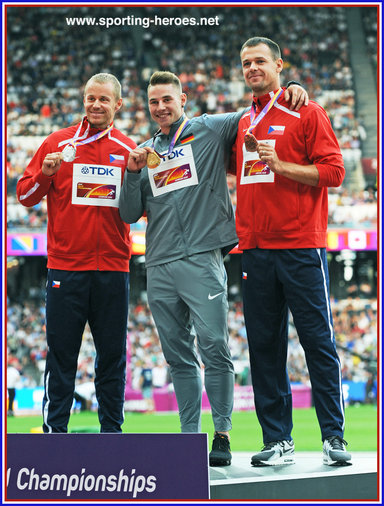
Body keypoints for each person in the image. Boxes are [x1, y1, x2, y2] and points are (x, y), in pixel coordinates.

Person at [119, 71, 307, 466]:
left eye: (167, 99)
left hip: (203, 258)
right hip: (159, 265)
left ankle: (221, 434)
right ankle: (189, 438)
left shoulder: (210, 129)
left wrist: (285, 90)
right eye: (154, 102)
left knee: (215, 348)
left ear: (183, 99)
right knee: (178, 358)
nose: (161, 108)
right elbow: (129, 213)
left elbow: (255, 111)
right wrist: (133, 173)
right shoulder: (142, 152)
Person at [232, 37, 352, 467]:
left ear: (280, 64)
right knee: (264, 347)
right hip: (255, 250)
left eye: (259, 61)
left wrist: (281, 166)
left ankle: (334, 437)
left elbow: (334, 171)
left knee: (318, 341)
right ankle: (278, 439)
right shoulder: (244, 120)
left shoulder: (308, 111)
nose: (251, 68)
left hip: (301, 246)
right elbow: (232, 165)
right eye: (246, 63)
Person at [17, 73, 136, 433]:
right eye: (90, 98)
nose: (95, 105)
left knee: (112, 359)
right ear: (83, 100)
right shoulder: (58, 143)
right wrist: (46, 174)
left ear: (117, 104)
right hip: (66, 269)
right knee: (62, 358)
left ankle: (112, 436)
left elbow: (139, 207)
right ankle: (55, 434)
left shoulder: (129, 149)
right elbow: (25, 196)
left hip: (113, 269)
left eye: (103, 100)